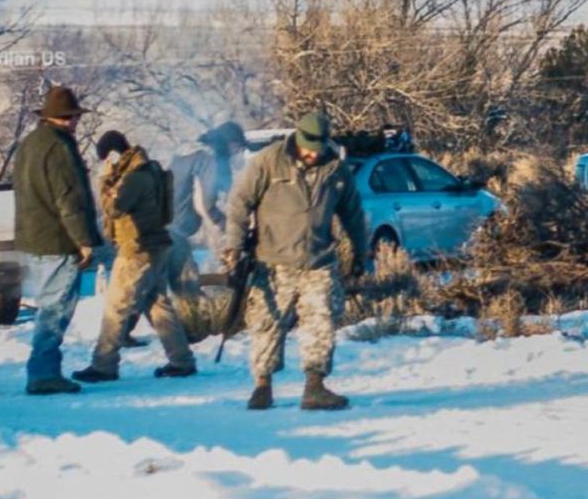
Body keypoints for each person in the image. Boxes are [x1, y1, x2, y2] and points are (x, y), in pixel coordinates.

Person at [223, 112, 367, 411]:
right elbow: (239, 202)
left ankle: (314, 386)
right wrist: (234, 248)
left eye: (318, 147)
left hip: (319, 260)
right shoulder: (268, 161)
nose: (312, 153)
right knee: (267, 324)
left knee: (321, 320)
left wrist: (360, 252)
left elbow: (352, 213)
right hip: (273, 260)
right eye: (307, 146)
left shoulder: (335, 169)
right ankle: (262, 386)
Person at [72, 131, 197, 383]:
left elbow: (113, 209)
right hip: (155, 246)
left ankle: (104, 364)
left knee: (116, 306)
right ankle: (181, 360)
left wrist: (105, 180)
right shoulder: (147, 170)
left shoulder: (133, 178)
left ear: (113, 156)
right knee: (158, 305)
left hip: (137, 249)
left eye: (106, 159)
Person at [13, 86, 103, 395]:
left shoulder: (29, 144)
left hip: (32, 237)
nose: (77, 122)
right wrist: (84, 240)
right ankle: (43, 373)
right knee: (55, 309)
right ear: (68, 118)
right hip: (56, 240)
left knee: (47, 306)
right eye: (75, 117)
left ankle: (43, 371)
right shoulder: (59, 147)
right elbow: (68, 199)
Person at [164, 121, 248, 342]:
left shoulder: (187, 150)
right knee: (185, 280)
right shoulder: (211, 157)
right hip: (175, 229)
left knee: (147, 284)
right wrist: (229, 228)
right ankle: (192, 331)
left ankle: (123, 334)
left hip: (161, 223)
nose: (236, 154)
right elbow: (208, 201)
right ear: (231, 143)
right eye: (238, 148)